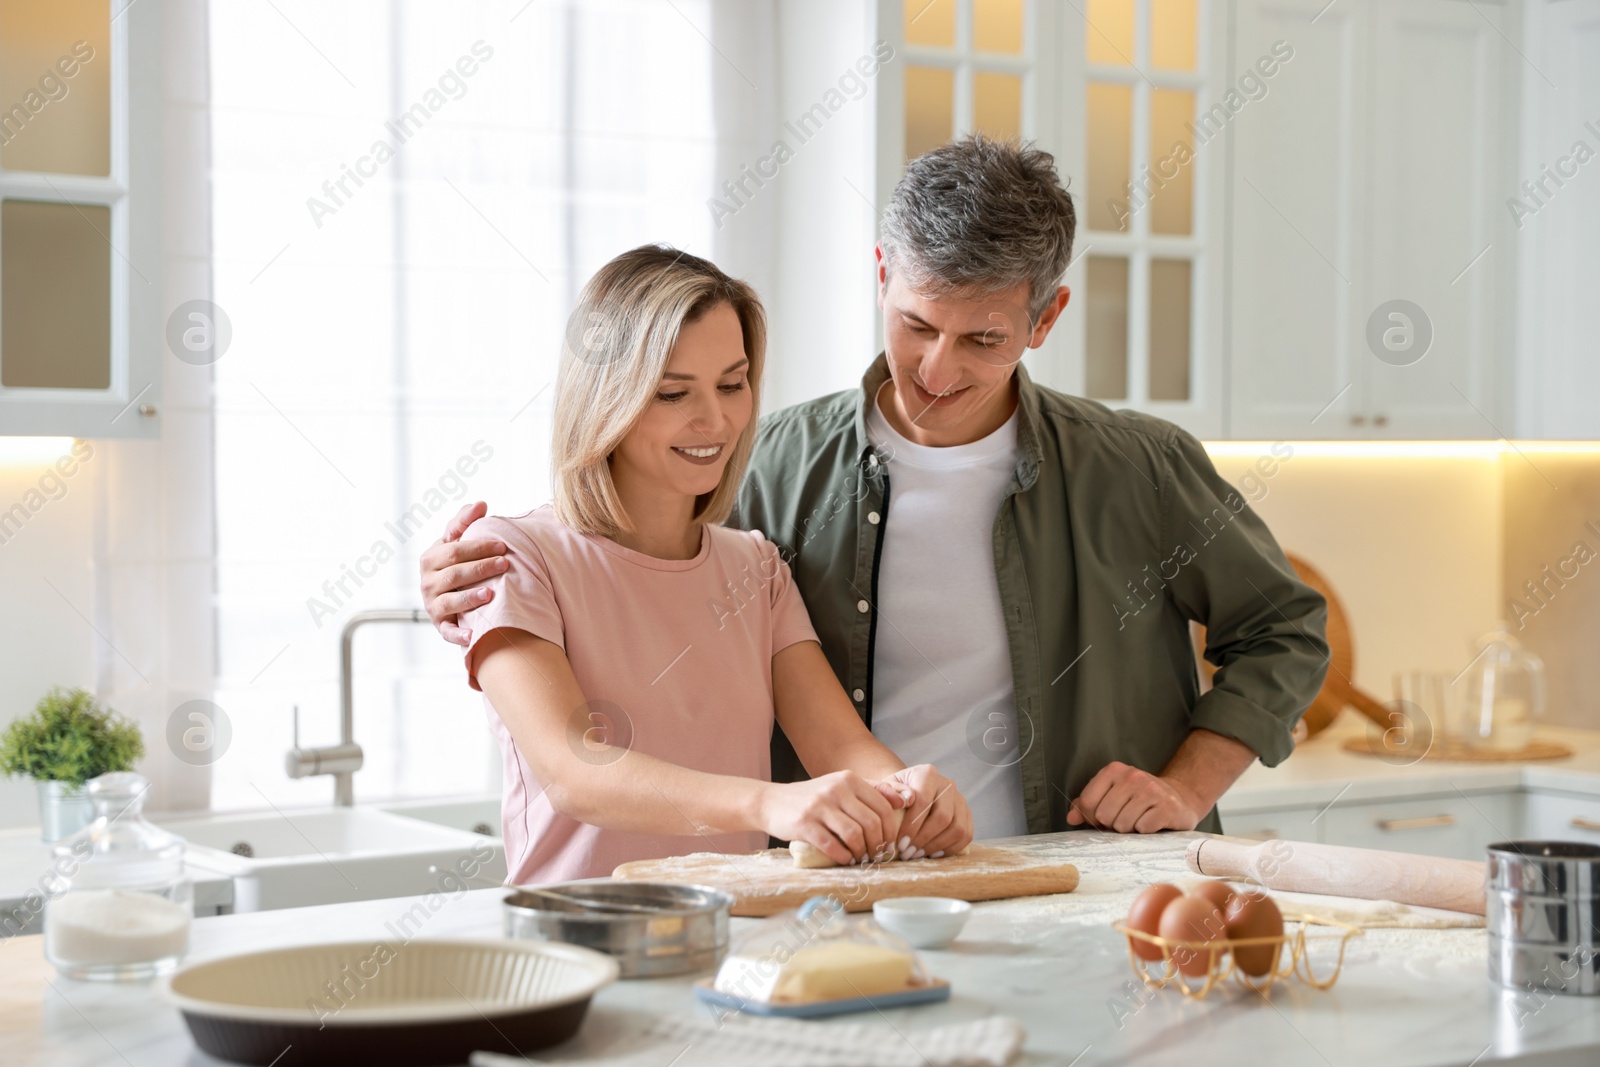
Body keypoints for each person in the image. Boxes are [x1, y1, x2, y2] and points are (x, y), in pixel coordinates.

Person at [425, 135, 1328, 842]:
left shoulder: (1137, 466)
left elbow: (1284, 627)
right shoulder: (765, 466)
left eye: (984, 339)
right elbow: (625, 561)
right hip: (845, 899)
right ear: (883, 272)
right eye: (916, 323)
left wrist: (1184, 785)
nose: (936, 369)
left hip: (1090, 883)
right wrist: (464, 576)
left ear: (1044, 317)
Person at [455, 244, 972, 883]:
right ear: (606, 397)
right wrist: (767, 801)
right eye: (673, 393)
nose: (716, 419)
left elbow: (838, 745)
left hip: (734, 941)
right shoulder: (518, 558)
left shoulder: (755, 568)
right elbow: (572, 771)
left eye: (732, 384)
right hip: (575, 947)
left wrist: (908, 795)